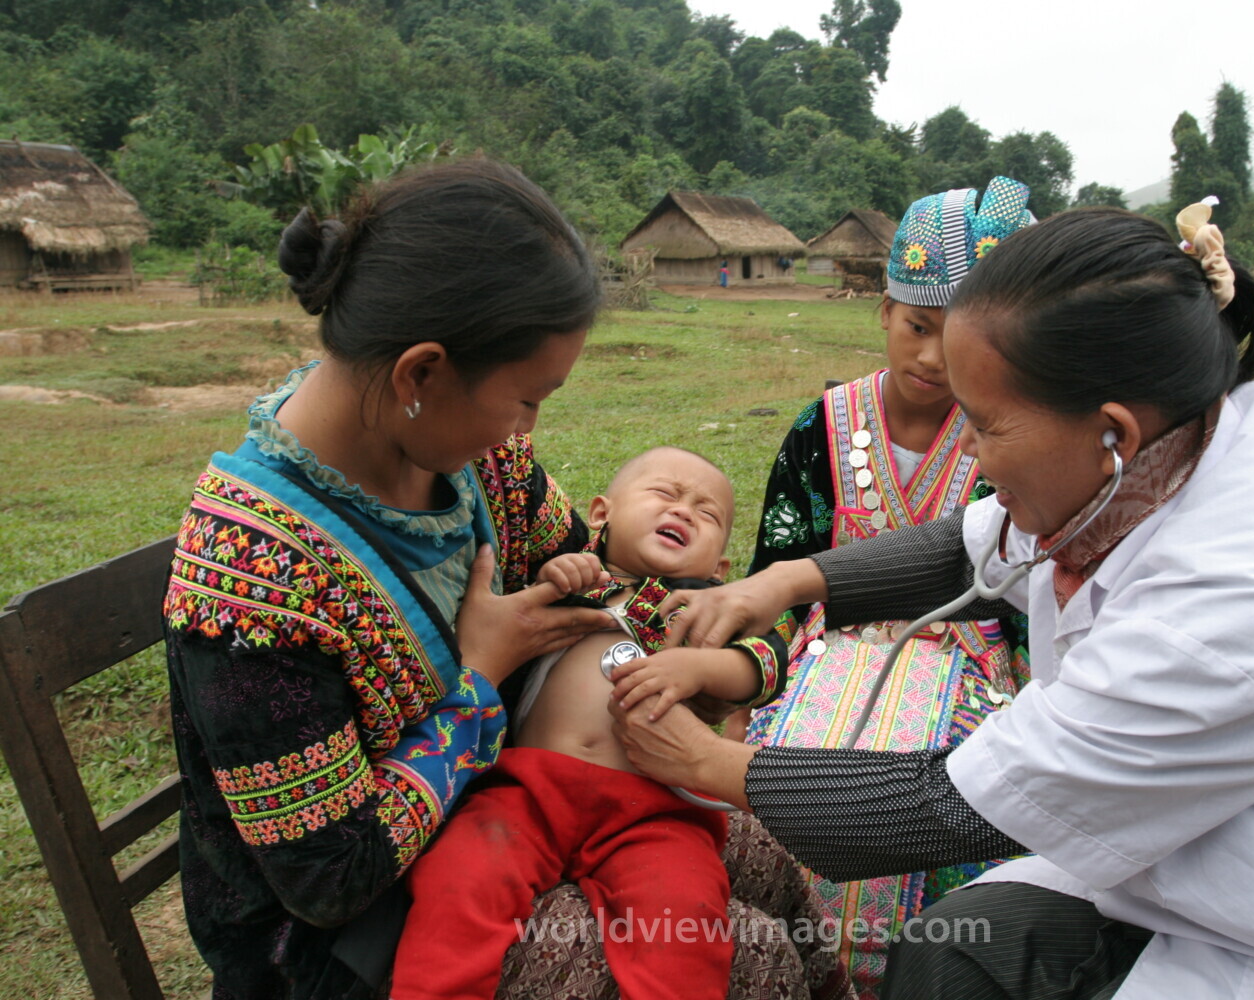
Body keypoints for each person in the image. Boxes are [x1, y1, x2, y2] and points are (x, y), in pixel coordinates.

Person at [610, 202, 1254, 1000]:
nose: (979, 460)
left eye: (989, 426)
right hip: (1217, 871)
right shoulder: (1164, 455)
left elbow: (958, 805)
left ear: (1112, 433)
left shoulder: (1247, 596)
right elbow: (969, 540)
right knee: (957, 956)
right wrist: (787, 581)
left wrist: (701, 764)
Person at [162, 160, 854, 1000]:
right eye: (527, 398)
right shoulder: (249, 581)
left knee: (768, 866)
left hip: (508, 811)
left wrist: (721, 654)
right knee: (741, 952)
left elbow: (611, 589)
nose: (528, 429)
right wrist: (477, 683)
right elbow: (329, 880)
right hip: (344, 942)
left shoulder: (483, 468)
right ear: (422, 373)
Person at [745, 177, 1033, 996]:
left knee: (956, 792)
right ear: (883, 311)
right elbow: (779, 579)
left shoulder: (1001, 440)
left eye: (959, 337)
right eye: (917, 327)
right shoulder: (821, 429)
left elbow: (1016, 601)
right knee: (787, 770)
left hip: (964, 662)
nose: (932, 358)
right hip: (824, 653)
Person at [392, 447, 792, 1000]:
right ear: (601, 514)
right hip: (528, 792)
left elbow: (766, 664)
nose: (684, 512)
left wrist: (704, 664)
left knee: (688, 916)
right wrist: (557, 573)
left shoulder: (706, 610)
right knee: (459, 878)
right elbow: (520, 610)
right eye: (666, 494)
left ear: (720, 567)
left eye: (708, 514)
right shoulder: (580, 582)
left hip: (653, 812)